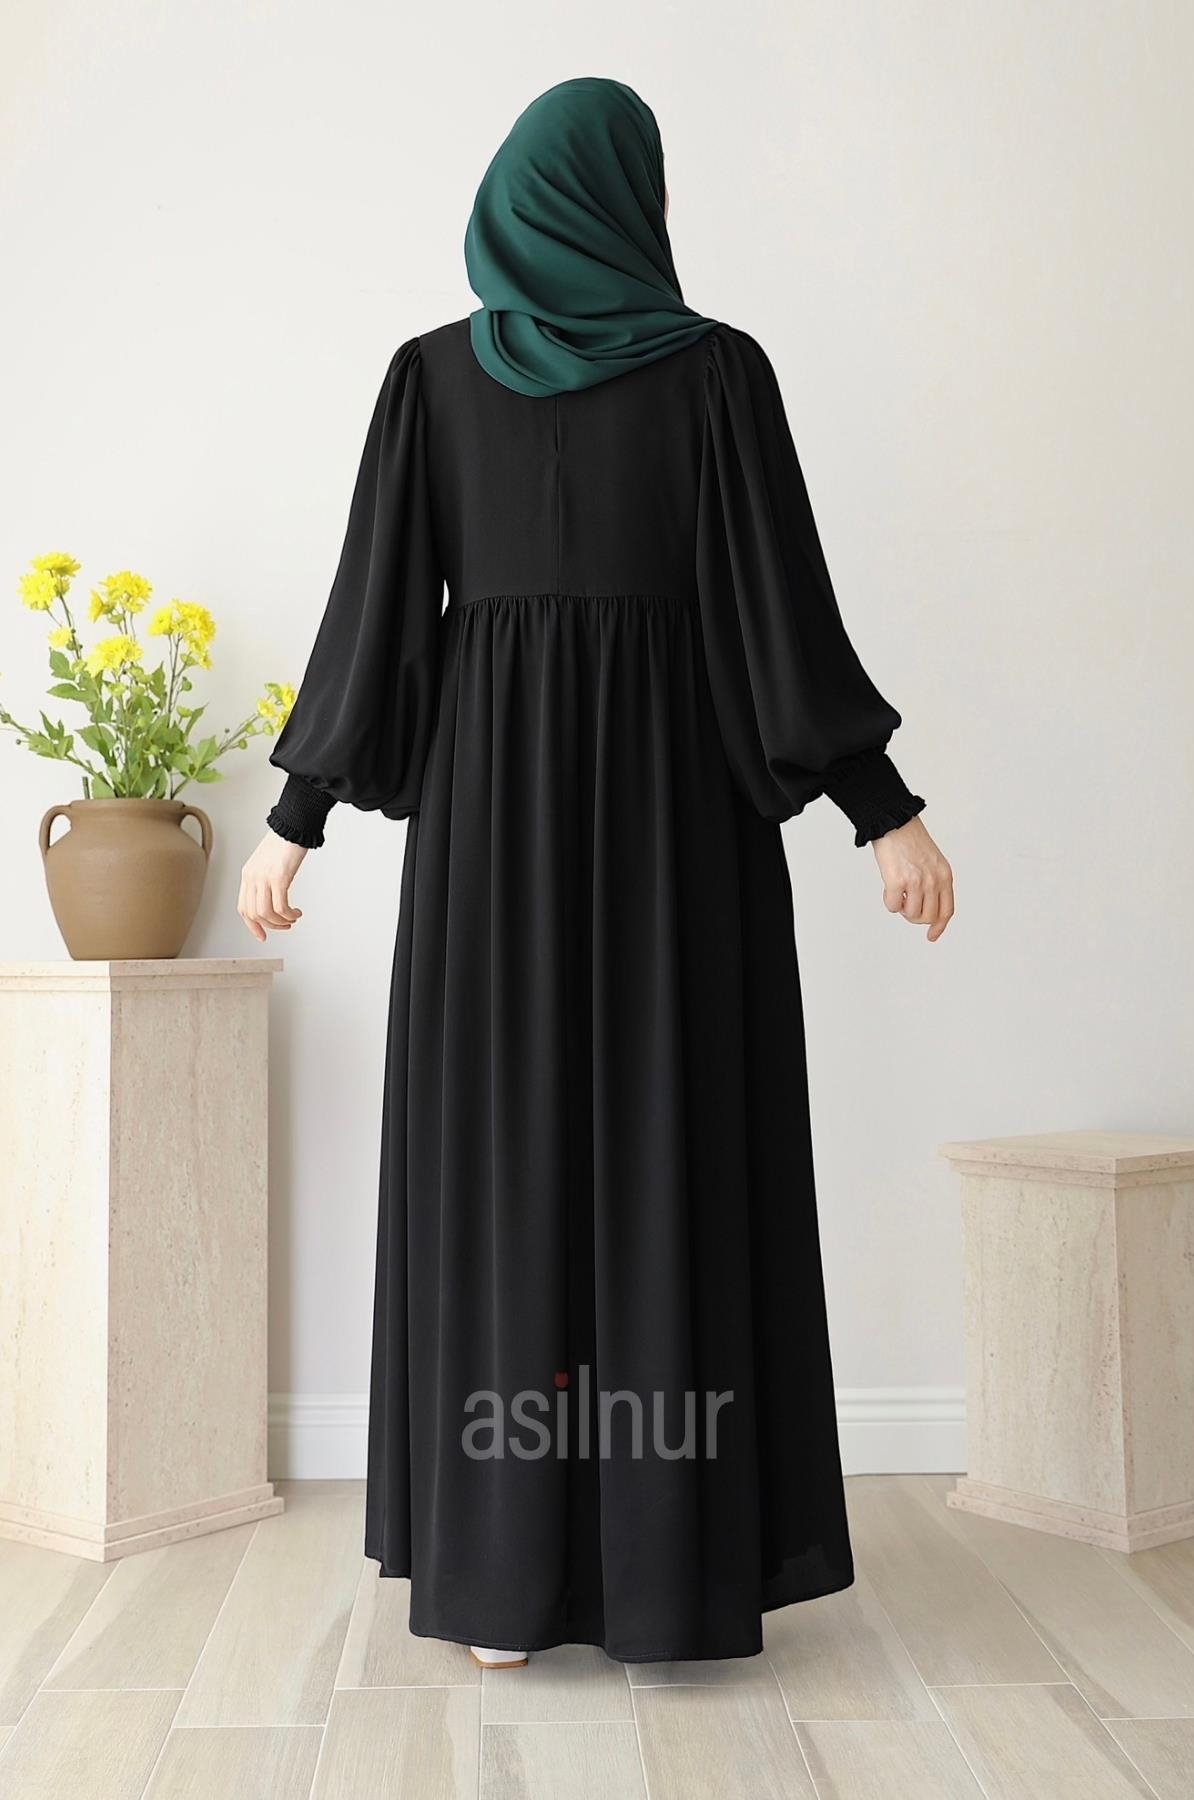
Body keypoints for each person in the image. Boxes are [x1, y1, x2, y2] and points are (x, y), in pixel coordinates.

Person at [239, 76, 954, 1670]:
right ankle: (599, 1575)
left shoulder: (638, 375)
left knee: (534, 1172)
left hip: (518, 839)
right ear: (626, 200)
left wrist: (296, 821)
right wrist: (295, 815)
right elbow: (384, 601)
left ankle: (554, 1585)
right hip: (664, 835)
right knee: (651, 1160)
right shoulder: (568, 378)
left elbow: (770, 603)